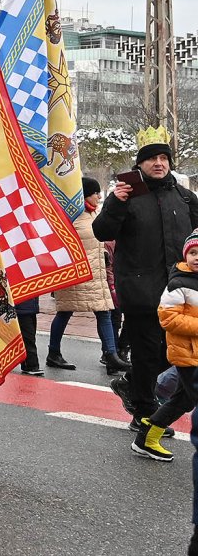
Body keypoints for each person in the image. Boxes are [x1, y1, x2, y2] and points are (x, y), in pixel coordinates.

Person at [93, 126, 198, 429]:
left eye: (164, 157)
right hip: (140, 291)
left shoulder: (184, 197)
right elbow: (103, 232)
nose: (159, 163)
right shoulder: (127, 195)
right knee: (147, 355)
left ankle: (132, 387)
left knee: (170, 356)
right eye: (151, 158)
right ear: (140, 164)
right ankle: (143, 414)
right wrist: (115, 204)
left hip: (177, 293)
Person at [48, 176, 127, 374]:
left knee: (104, 312)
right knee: (65, 312)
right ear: (84, 195)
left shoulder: (94, 215)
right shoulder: (71, 215)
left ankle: (111, 354)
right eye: (95, 193)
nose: (99, 196)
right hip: (76, 275)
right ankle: (54, 352)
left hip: (96, 275)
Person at [137, 230, 198, 463]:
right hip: (186, 354)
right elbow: (168, 319)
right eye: (193, 252)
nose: (197, 257)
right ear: (185, 255)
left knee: (184, 400)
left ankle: (146, 438)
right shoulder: (178, 283)